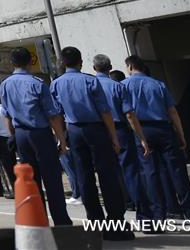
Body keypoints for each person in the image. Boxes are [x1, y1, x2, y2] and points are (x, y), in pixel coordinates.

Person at [50, 46, 132, 241]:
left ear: (62, 63)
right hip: (96, 129)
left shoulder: (56, 84)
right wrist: (113, 136)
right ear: (81, 62)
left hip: (74, 130)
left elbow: (56, 115)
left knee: (85, 178)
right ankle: (116, 225)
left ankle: (95, 223)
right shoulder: (90, 80)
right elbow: (104, 111)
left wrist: (61, 139)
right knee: (107, 176)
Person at [122, 55, 190, 222]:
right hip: (164, 128)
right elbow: (172, 111)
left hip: (141, 129)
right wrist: (181, 133)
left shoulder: (124, 86)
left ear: (130, 67)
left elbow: (127, 113)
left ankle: (158, 213)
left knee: (150, 173)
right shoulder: (158, 84)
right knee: (178, 171)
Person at [0, 47, 71, 225]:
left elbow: (7, 115)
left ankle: (39, 219)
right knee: (52, 178)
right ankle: (61, 220)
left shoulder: (5, 85)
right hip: (40, 133)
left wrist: (14, 136)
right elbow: (53, 115)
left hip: (21, 134)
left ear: (11, 63)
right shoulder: (37, 83)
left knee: (31, 179)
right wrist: (62, 141)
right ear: (30, 62)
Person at [93, 56, 151, 222]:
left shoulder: (89, 86)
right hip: (121, 131)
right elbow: (130, 114)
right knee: (131, 172)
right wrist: (141, 138)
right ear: (110, 67)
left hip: (100, 131)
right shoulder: (117, 86)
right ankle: (144, 215)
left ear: (94, 68)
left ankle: (116, 216)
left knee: (108, 174)